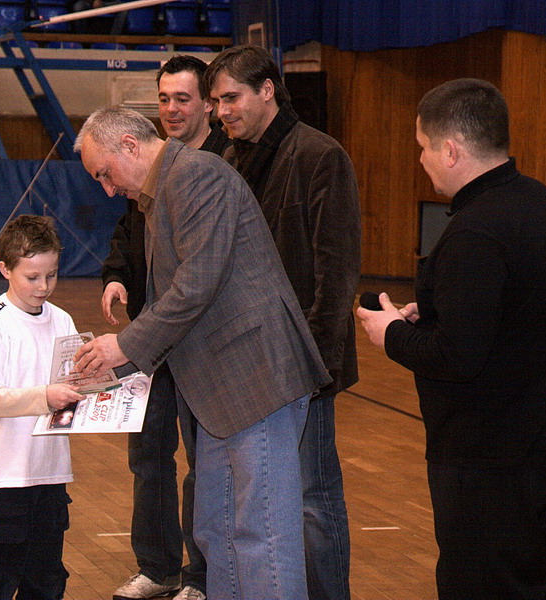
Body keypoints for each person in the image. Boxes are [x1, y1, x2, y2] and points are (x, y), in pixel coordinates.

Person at [73, 106, 331, 600]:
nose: (107, 189)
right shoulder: (161, 193)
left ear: (129, 145)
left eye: (104, 173)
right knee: (217, 529)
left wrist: (124, 346)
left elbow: (196, 285)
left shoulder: (196, 175)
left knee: (262, 534)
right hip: (218, 391)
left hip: (256, 381)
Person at [356, 78, 546, 600]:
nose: (421, 160)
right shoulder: (536, 200)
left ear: (452, 150)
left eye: (422, 148)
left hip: (491, 461)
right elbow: (508, 316)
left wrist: (389, 333)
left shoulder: (475, 231)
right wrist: (434, 313)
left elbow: (456, 356)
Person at [205, 45, 360, 600]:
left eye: (231, 97)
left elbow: (336, 272)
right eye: (216, 101)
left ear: (267, 90)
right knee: (253, 501)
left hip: (305, 366)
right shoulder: (226, 159)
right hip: (245, 366)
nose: (222, 111)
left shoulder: (320, 155)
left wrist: (315, 366)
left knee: (313, 499)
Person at [102, 55, 229, 600]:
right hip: (147, 341)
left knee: (203, 461)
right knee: (148, 455)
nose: (172, 109)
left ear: (207, 104)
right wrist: (115, 276)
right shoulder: (147, 164)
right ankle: (158, 567)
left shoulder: (220, 165)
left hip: (197, 342)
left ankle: (200, 577)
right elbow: (128, 232)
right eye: (163, 99)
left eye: (182, 98)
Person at [0, 215, 83, 600]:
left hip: (49, 474)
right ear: (5, 270)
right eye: (32, 277)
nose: (44, 287)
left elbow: (72, 385)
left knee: (45, 583)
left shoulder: (62, 319)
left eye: (53, 275)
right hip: (2, 479)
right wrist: (45, 396)